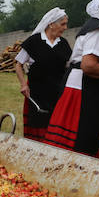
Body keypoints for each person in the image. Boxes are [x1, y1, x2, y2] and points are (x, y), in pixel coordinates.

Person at [44, 0, 99, 157]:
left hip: (84, 86)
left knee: (81, 136)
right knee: (80, 136)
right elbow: (88, 66)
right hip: (83, 90)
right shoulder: (98, 30)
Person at [14, 8, 72, 141]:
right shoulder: (34, 41)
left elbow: (69, 67)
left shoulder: (63, 44)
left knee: (55, 128)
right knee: (37, 127)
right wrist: (23, 84)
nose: (65, 27)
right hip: (36, 93)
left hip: (57, 93)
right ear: (51, 24)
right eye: (62, 24)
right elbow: (18, 64)